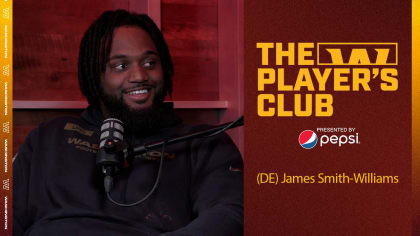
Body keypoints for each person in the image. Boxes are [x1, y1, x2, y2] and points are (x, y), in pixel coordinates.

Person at [13, 10, 243, 235]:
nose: (140, 76)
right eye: (121, 66)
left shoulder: (204, 144)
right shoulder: (48, 137)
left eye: (150, 63)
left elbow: (230, 214)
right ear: (95, 75)